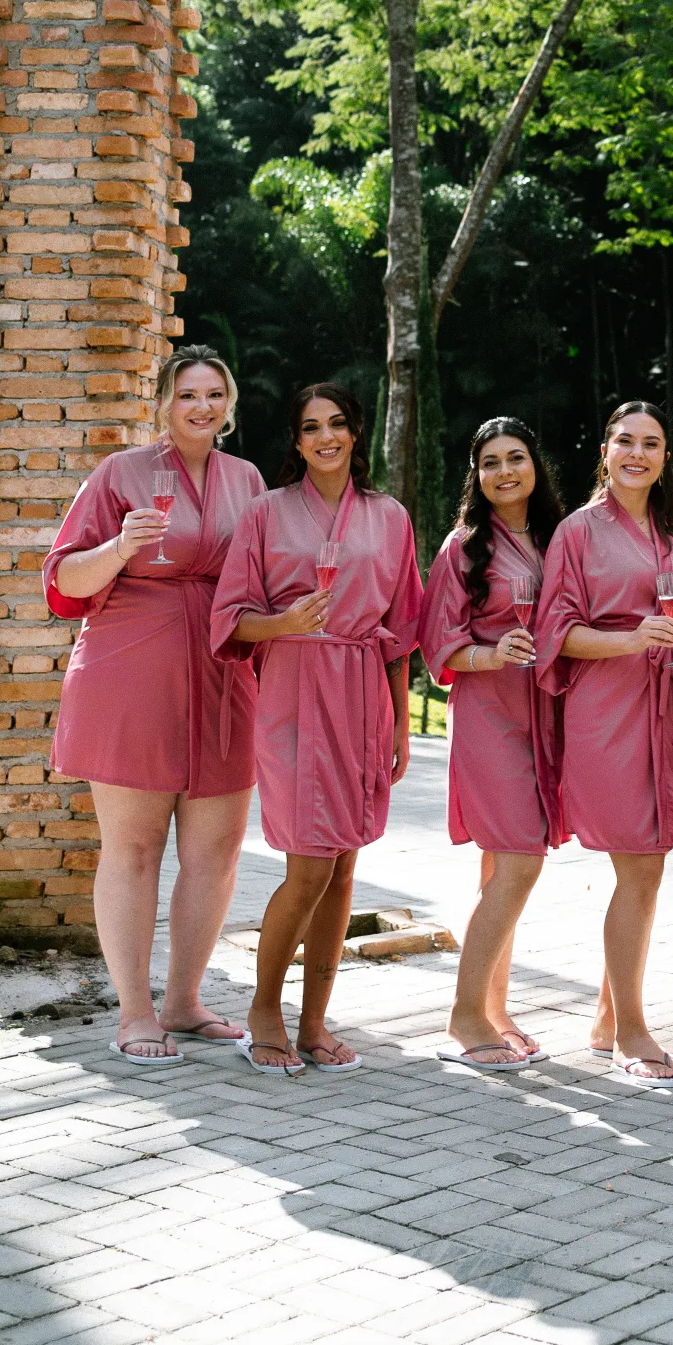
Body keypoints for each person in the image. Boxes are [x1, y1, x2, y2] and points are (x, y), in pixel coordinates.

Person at [44, 345, 267, 1064]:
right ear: (163, 404)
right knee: (134, 848)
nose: (201, 406)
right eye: (187, 394)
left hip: (223, 672)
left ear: (228, 405)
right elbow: (63, 581)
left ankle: (184, 1001)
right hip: (129, 671)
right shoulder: (121, 473)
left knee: (216, 852)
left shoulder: (248, 479)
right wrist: (119, 545)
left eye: (213, 394)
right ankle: (134, 1012)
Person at [209, 384, 423, 1076]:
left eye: (337, 423)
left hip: (364, 689)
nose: (325, 437)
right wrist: (284, 624)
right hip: (295, 689)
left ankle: (314, 1021)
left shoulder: (389, 517)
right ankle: (263, 1011)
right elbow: (231, 616)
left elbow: (399, 634)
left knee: (344, 864)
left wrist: (398, 727)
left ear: (355, 432)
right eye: (310, 428)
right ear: (295, 442)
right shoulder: (267, 513)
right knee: (309, 863)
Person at [534, 399, 673, 1084]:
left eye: (652, 443)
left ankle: (609, 1016)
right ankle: (632, 1028)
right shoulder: (577, 532)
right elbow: (556, 631)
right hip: (607, 709)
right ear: (604, 450)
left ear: (665, 457)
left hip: (668, 709)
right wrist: (630, 639)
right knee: (638, 865)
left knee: (650, 864)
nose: (638, 453)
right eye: (625, 441)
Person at [420, 417, 566, 1071]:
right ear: (476, 477)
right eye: (489, 463)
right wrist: (490, 651)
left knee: (498, 868)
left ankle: (494, 1008)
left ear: (535, 464)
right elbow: (437, 645)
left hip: (546, 714)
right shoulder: (462, 547)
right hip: (489, 716)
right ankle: (462, 1016)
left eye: (516, 458)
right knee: (519, 862)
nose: (504, 471)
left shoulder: (561, 538)